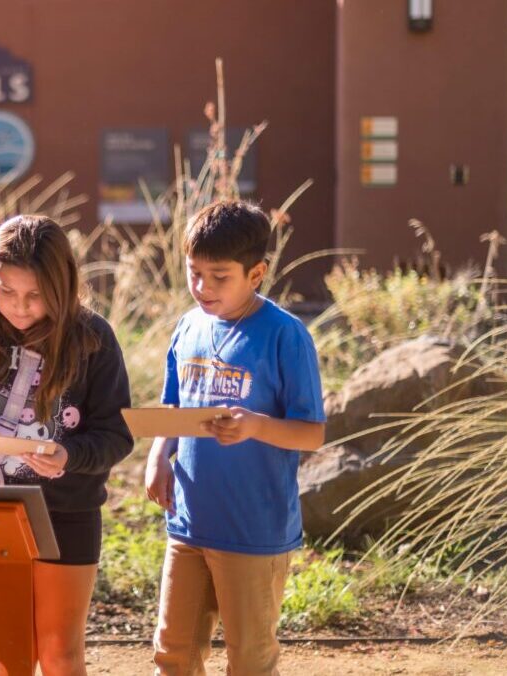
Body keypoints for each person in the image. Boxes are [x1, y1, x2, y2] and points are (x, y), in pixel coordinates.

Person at [0, 215, 134, 676]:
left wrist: (69, 454)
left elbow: (116, 435)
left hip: (67, 513)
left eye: (35, 295)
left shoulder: (93, 339)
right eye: (5, 291)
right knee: (9, 651)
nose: (18, 307)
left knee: (59, 652)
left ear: (63, 285)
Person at [143, 200, 326, 675]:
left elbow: (312, 434)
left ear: (257, 273)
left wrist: (256, 426)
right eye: (194, 273)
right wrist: (159, 453)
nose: (202, 287)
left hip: (253, 531)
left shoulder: (286, 335)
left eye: (219, 276)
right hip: (188, 523)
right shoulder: (188, 326)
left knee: (248, 659)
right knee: (173, 654)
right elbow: (172, 406)